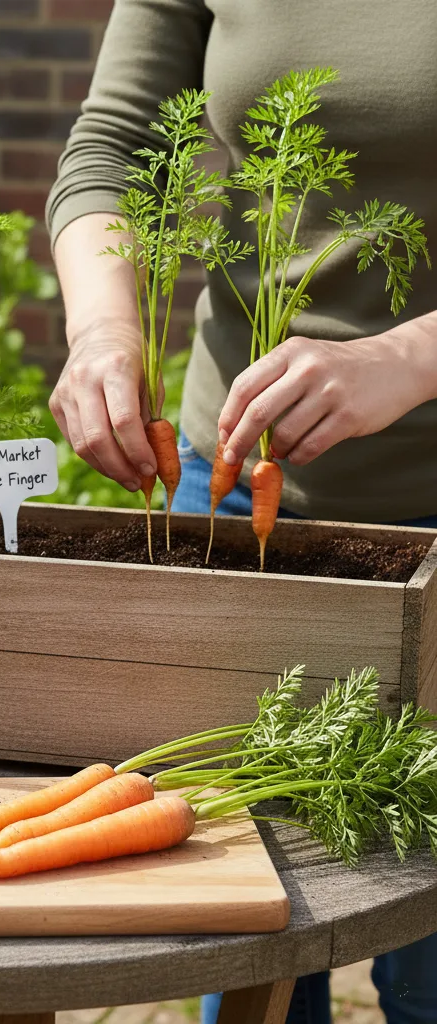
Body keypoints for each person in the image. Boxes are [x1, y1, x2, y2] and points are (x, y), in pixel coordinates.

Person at [44, 2, 437, 1022]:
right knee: (247, 928)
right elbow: (116, 144)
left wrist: (407, 356)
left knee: (432, 964)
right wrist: (101, 335)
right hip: (228, 487)